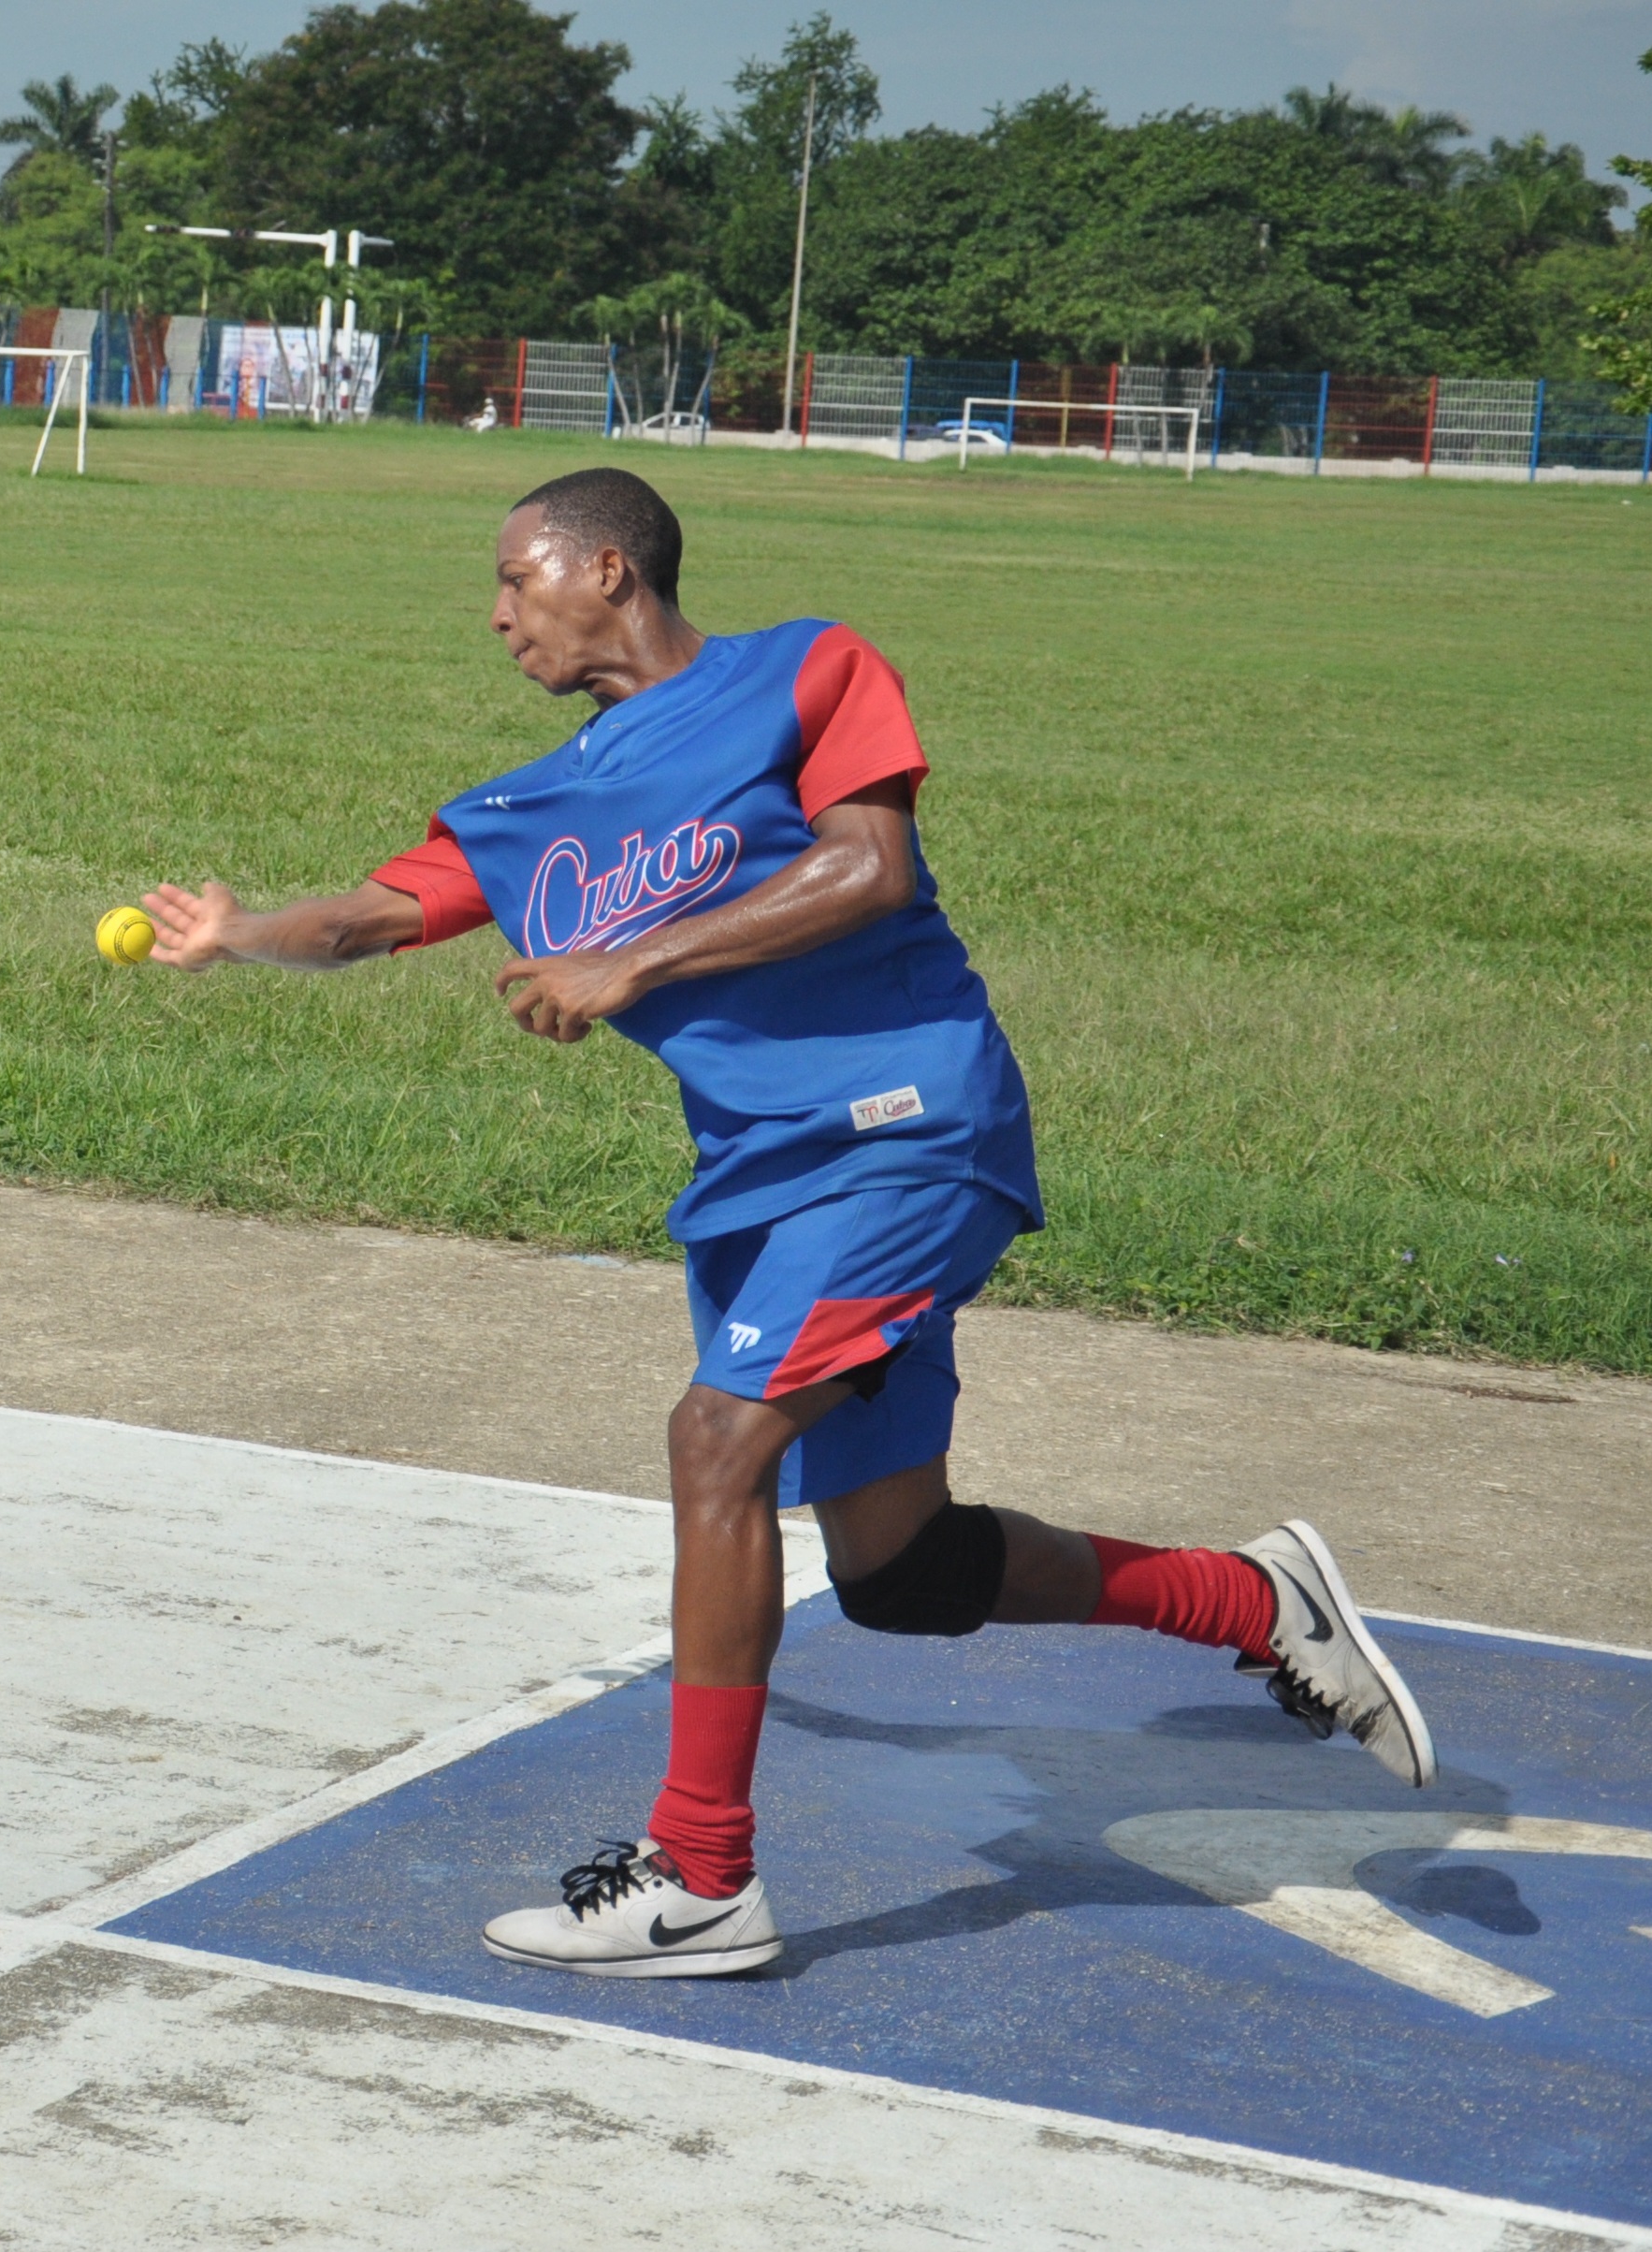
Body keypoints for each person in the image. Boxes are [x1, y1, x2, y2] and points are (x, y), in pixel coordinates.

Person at [136, 466, 1435, 1981]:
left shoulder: (807, 669)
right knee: (902, 1574)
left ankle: (700, 1873)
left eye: (516, 579)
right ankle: (1251, 1597)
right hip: (757, 1187)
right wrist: (240, 938)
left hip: (906, 1125)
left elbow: (871, 869)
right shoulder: (533, 810)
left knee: (716, 1441)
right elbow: (360, 917)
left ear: (611, 569)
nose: (495, 616)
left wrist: (638, 963)